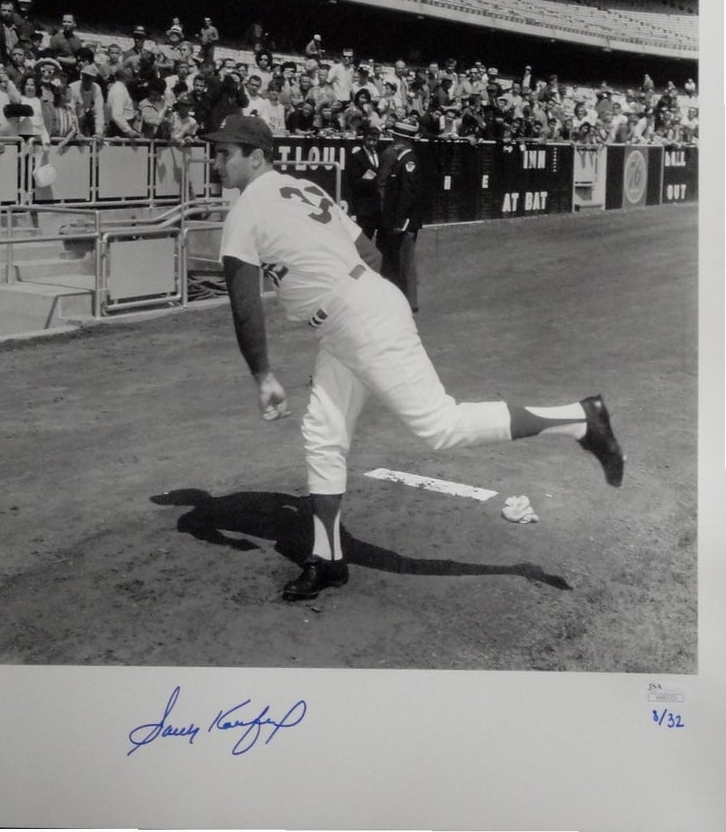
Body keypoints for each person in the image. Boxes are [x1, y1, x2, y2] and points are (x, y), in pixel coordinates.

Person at [205, 114, 624, 602]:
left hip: (358, 320)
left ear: (255, 156)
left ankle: (579, 418)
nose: (216, 161)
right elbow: (371, 253)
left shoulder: (246, 209)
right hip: (354, 316)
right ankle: (328, 558)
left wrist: (263, 375)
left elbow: (244, 303)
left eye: (224, 152)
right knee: (323, 433)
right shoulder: (304, 188)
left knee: (439, 425)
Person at [376, 120, 424, 313]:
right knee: (399, 261)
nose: (393, 141)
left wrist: (401, 222)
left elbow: (408, 194)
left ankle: (410, 302)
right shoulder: (402, 160)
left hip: (404, 223)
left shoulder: (408, 161)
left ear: (403, 140)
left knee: (406, 263)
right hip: (399, 221)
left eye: (396, 138)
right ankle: (403, 300)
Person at [345, 123, 383, 241]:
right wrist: (374, 179)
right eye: (369, 140)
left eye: (374, 140)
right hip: (364, 207)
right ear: (364, 139)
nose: (372, 143)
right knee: (364, 239)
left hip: (378, 206)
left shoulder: (380, 156)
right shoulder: (356, 157)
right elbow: (354, 182)